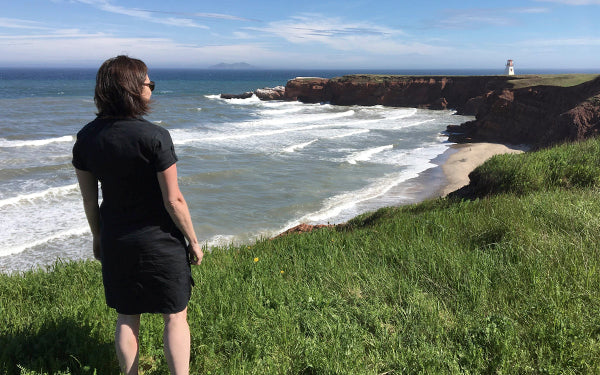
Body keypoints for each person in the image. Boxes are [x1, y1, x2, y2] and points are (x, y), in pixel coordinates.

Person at [72, 55, 203, 375]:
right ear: (132, 89)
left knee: (127, 317)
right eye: (148, 84)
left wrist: (98, 237)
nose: (151, 89)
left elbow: (90, 201)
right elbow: (174, 201)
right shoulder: (155, 137)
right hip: (161, 243)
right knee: (175, 316)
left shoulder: (86, 138)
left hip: (118, 240)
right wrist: (194, 241)